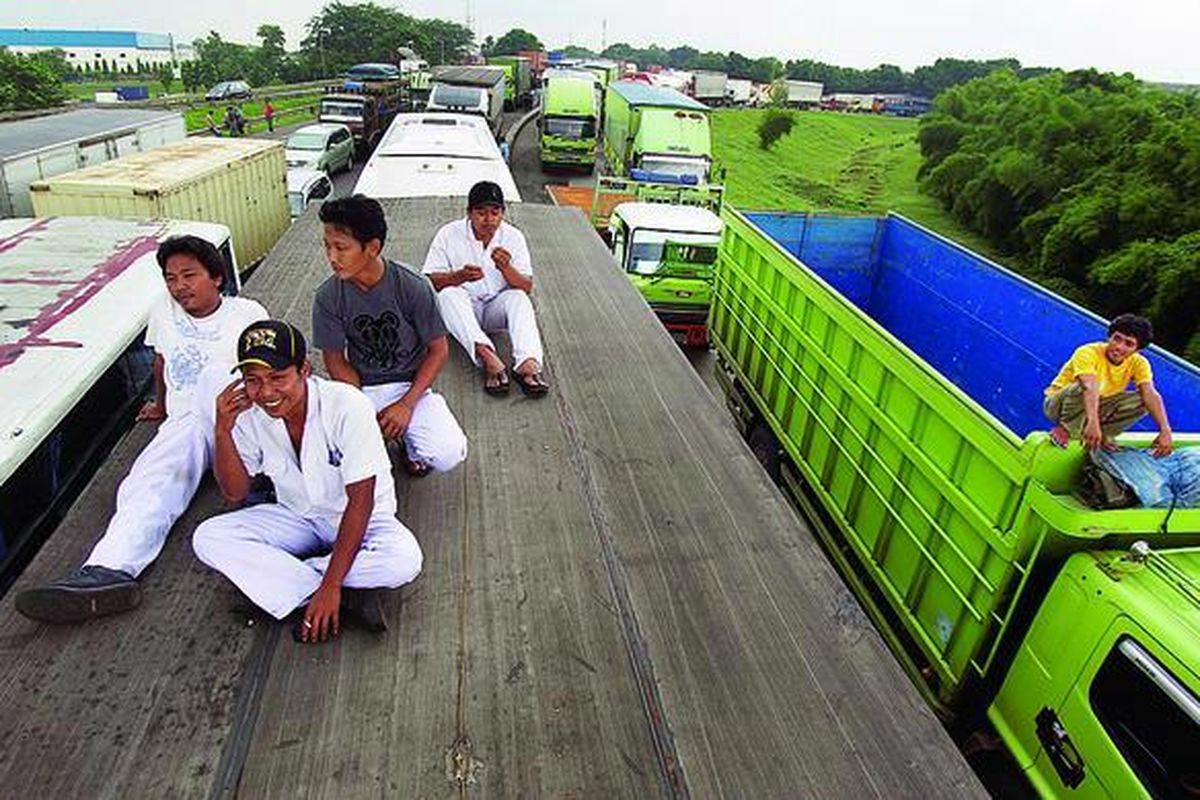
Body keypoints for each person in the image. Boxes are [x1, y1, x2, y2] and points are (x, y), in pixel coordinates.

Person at [15, 237, 268, 624]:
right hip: (188, 421)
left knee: (216, 378)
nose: (179, 286)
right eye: (170, 278)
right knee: (146, 482)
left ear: (217, 277)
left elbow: (264, 375)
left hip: (239, 418)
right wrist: (163, 406)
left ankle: (263, 493)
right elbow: (161, 362)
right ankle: (109, 570)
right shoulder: (164, 310)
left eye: (189, 275)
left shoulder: (246, 314)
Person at [192, 320, 423, 642]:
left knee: (403, 561)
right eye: (253, 381)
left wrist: (329, 586)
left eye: (277, 377)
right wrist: (222, 431)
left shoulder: (346, 405)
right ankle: (351, 595)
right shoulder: (249, 413)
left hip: (365, 520)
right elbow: (236, 492)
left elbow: (362, 500)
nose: (267, 392)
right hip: (298, 515)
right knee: (209, 537)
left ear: (304, 369)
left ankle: (293, 584)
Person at [312, 196, 467, 477]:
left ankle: (409, 441)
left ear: (372, 248)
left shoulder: (412, 286)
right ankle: (382, 438)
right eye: (327, 246)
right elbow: (335, 360)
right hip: (360, 387)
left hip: (410, 386)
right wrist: (360, 410)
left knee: (448, 452)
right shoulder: (328, 297)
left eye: (341, 248)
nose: (332, 258)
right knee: (328, 455)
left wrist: (406, 405)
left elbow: (438, 350)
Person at [422, 180, 550, 396]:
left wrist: (506, 268)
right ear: (469, 213)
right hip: (462, 311)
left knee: (518, 298)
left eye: (494, 212)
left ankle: (526, 363)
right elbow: (433, 281)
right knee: (448, 295)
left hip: (494, 309)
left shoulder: (513, 237)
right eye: (481, 212)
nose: (488, 220)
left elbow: (526, 286)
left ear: (502, 213)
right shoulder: (448, 234)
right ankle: (486, 354)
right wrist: (459, 276)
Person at [1044, 313, 1173, 456]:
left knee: (1144, 400)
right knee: (1084, 385)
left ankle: (1105, 435)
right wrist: (1092, 422)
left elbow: (1150, 394)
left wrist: (1165, 430)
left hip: (1096, 406)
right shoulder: (1087, 352)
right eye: (1117, 339)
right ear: (1109, 337)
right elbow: (1089, 386)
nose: (1119, 347)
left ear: (1137, 350)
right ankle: (1067, 429)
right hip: (1059, 405)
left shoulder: (1139, 362)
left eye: (1128, 344)